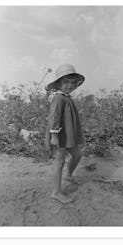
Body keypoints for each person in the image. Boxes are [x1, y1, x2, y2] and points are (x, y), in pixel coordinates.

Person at [45, 64, 85, 204]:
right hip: (59, 135)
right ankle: (56, 192)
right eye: (66, 82)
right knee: (59, 162)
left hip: (68, 135)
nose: (70, 85)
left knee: (77, 155)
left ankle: (68, 175)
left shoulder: (66, 97)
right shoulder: (58, 98)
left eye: (72, 82)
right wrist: (54, 136)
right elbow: (54, 117)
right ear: (59, 84)